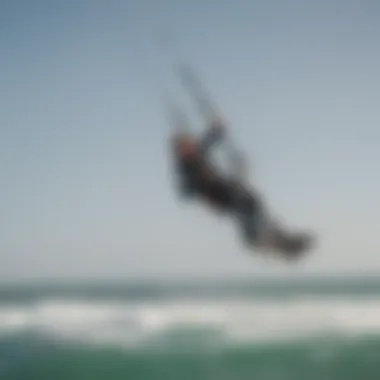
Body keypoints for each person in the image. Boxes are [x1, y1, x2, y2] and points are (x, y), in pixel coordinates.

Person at [170, 119, 313, 259]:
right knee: (247, 204)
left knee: (252, 201)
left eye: (191, 144)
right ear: (181, 151)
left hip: (225, 187)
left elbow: (208, 140)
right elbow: (185, 193)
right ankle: (257, 239)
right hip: (216, 194)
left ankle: (276, 237)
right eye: (187, 146)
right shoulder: (185, 168)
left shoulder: (197, 152)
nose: (192, 146)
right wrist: (196, 189)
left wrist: (217, 128)